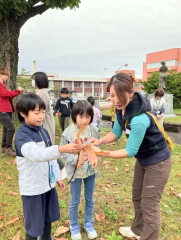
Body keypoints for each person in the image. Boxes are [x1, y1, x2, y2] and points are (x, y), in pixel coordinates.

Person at [89, 73, 172, 240]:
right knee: (137, 196)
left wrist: (103, 153)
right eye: (112, 95)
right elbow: (116, 132)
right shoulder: (122, 109)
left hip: (158, 162)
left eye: (120, 96)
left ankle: (149, 237)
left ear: (131, 92)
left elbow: (130, 151)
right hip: (144, 159)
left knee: (150, 204)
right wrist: (99, 141)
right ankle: (138, 229)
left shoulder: (139, 118)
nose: (116, 100)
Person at [14, 93, 82, 240]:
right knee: (34, 227)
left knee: (47, 220)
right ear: (22, 113)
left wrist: (57, 177)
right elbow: (37, 154)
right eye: (36, 113)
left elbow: (51, 159)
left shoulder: (43, 132)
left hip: (48, 186)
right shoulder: (22, 135)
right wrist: (62, 149)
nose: (41, 116)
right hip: (33, 189)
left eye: (43, 112)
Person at [60, 100, 99, 240]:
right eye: (81, 116)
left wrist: (95, 158)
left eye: (88, 117)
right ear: (74, 115)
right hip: (75, 173)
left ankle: (89, 223)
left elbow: (96, 148)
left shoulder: (93, 130)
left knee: (90, 199)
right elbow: (63, 153)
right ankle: (74, 226)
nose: (84, 120)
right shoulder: (68, 133)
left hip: (90, 172)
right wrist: (75, 160)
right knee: (75, 200)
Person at [32, 72, 66, 179]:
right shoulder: (41, 92)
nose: (32, 81)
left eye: (33, 79)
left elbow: (39, 110)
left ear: (38, 80)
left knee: (46, 149)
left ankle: (62, 167)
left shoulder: (41, 93)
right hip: (44, 123)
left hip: (44, 124)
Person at [0, 68, 24, 156]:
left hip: (8, 109)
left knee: (6, 129)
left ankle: (4, 147)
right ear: (0, 75)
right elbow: (5, 94)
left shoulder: (4, 86)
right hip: (2, 110)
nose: (7, 77)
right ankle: (9, 148)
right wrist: (17, 91)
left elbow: (9, 96)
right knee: (11, 128)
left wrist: (16, 93)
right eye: (5, 75)